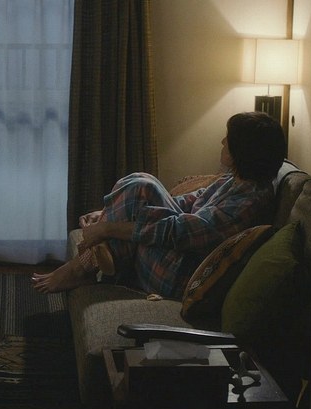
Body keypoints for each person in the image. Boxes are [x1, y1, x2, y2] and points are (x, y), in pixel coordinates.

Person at [31, 111, 287, 298]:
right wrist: (113, 213)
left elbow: (180, 231)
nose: (222, 142)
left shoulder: (249, 201)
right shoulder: (236, 180)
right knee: (142, 184)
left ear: (243, 150)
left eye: (228, 138)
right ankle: (91, 262)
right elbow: (188, 202)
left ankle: (82, 267)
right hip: (177, 258)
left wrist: (107, 228)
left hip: (181, 276)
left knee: (142, 185)